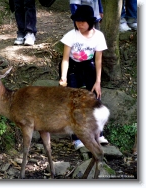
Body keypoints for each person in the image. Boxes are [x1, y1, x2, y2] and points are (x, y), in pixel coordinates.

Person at [58, 5, 108, 150]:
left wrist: (98, 81)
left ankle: (98, 134)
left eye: (83, 22)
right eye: (77, 21)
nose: (79, 24)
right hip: (73, 68)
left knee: (94, 99)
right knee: (74, 102)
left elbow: (98, 60)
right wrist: (63, 77)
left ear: (90, 22)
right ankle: (77, 138)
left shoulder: (99, 36)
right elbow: (65, 58)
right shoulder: (71, 35)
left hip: (89, 67)